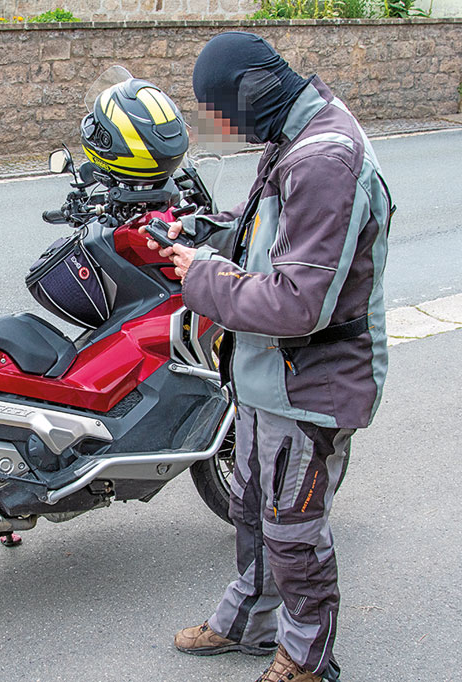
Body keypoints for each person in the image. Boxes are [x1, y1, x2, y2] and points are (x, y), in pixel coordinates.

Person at [141, 32, 392, 682]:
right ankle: (248, 622)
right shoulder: (291, 141)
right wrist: (195, 234)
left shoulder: (324, 160)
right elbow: (264, 235)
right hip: (265, 378)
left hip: (310, 386)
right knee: (253, 510)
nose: (222, 125)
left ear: (252, 92)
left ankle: (307, 659)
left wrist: (202, 276)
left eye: (222, 110)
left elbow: (299, 303)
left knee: (293, 531)